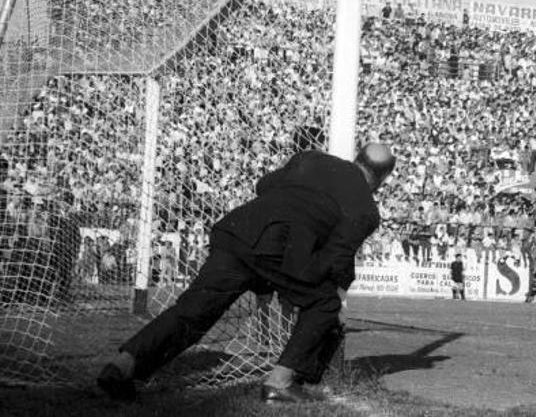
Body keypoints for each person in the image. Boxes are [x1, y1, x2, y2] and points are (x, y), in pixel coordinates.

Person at [96, 144, 396, 403]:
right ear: (383, 178)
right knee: (324, 305)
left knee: (191, 311)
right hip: (283, 248)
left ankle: (122, 366)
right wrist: (302, 286)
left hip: (240, 231)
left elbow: (263, 186)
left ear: (357, 157)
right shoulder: (366, 210)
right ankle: (280, 383)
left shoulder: (311, 159)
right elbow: (335, 258)